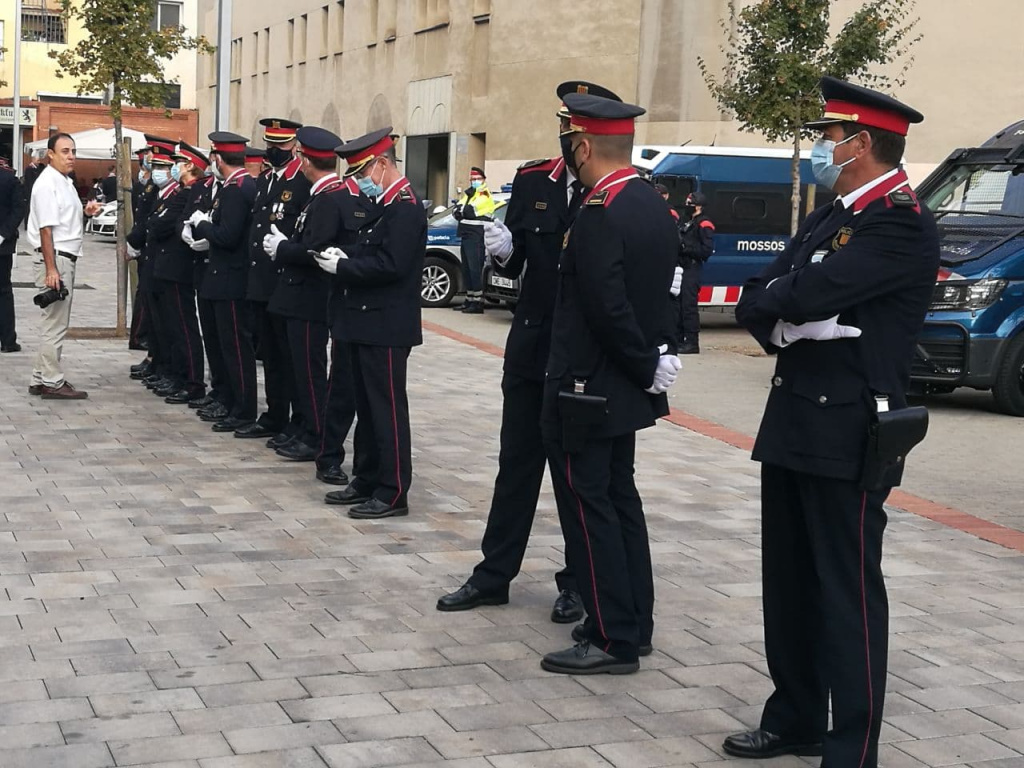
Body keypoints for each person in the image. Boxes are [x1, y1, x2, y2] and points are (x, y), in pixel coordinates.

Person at [723, 77, 939, 768]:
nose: (821, 146)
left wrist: (789, 305)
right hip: (793, 416)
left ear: (862, 143)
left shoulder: (899, 219)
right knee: (787, 584)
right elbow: (765, 294)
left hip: (849, 429)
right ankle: (795, 718)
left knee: (846, 594)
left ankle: (851, 748)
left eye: (829, 135)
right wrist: (788, 326)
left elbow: (815, 289)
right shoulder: (830, 213)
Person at [436, 80, 622, 625]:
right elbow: (516, 264)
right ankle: (494, 576)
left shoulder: (611, 189)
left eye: (576, 126)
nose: (567, 134)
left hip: (580, 357)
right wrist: (504, 252)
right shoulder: (535, 179)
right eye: (564, 123)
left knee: (575, 476)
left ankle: (578, 583)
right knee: (515, 465)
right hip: (531, 346)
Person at [538, 93, 680, 675]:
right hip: (622, 386)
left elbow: (605, 306)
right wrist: (650, 362)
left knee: (592, 507)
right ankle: (634, 621)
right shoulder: (649, 202)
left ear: (585, 145)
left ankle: (609, 635)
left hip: (587, 384)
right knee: (621, 501)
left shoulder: (600, 209)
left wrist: (642, 361)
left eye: (570, 144)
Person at [315, 127, 425, 519]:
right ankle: (366, 477)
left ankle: (394, 490)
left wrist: (344, 266)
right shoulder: (386, 206)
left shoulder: (406, 206)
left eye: (362, 172)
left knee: (387, 409)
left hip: (387, 325)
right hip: (364, 322)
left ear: (381, 164)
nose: (360, 181)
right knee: (366, 404)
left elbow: (392, 265)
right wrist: (342, 254)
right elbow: (369, 250)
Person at [262, 125, 349, 463]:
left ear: (305, 160)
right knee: (301, 369)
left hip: (312, 298)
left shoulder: (327, 199)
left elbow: (316, 250)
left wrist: (283, 248)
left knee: (310, 372)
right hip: (300, 297)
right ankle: (304, 426)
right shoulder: (320, 195)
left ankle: (315, 434)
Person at [235, 118, 310, 443]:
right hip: (262, 282)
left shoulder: (301, 181)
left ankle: (296, 420)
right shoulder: (266, 180)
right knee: (271, 357)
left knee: (289, 357)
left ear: (294, 146)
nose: (273, 151)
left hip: (283, 281)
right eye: (270, 145)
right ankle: (275, 414)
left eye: (280, 146)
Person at [190, 132, 258, 433]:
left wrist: (202, 224)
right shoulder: (234, 187)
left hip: (232, 278)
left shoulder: (237, 189)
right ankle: (228, 398)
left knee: (235, 348)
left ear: (218, 159)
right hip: (222, 277)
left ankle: (242, 408)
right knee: (223, 344)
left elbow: (228, 236)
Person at [27, 133, 103, 399]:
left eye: (73, 151)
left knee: (53, 321)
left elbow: (61, 221)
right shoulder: (48, 183)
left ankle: (40, 377)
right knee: (55, 325)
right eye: (65, 151)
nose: (71, 156)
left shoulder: (64, 181)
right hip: (56, 257)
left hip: (62, 255)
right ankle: (52, 381)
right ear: (51, 154)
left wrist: (85, 213)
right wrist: (51, 269)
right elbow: (46, 229)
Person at [177, 144, 229, 412]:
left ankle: (227, 394)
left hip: (221, 269)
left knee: (225, 340)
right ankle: (218, 389)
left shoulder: (232, 189)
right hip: (203, 268)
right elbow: (185, 217)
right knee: (211, 335)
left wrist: (206, 234)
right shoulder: (201, 189)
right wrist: (188, 232)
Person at [452, 166, 496, 313]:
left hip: (477, 235)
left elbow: (468, 211)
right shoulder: (470, 194)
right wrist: (460, 211)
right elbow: (456, 210)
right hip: (466, 234)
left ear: (484, 180)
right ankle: (469, 299)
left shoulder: (484, 195)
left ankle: (478, 303)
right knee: (467, 269)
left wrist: (461, 211)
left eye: (478, 179)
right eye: (472, 179)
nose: (475, 182)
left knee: (475, 269)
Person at [676, 191, 714, 354]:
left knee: (689, 306)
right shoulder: (689, 222)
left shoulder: (704, 224)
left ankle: (692, 342)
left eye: (689, 204)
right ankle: (679, 339)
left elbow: (706, 251)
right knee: (678, 305)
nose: (686, 207)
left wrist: (687, 248)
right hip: (682, 267)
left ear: (698, 206)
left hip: (692, 268)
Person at [0, 157, 26, 353]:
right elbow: (19, 209)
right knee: (3, 292)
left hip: (3, 243)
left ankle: (9, 339)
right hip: (3, 242)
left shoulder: (9, 179)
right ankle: (8, 341)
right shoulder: (10, 179)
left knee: (4, 291)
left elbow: (19, 208)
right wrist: (4, 233)